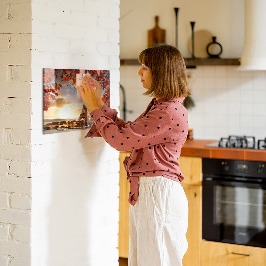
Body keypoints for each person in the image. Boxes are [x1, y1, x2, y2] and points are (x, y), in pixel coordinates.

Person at [77, 44, 190, 266]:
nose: (139, 72)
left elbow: (121, 141)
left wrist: (94, 108)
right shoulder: (163, 106)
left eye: (145, 67)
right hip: (152, 193)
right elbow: (130, 133)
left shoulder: (167, 111)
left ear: (161, 71)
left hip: (158, 195)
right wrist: (99, 105)